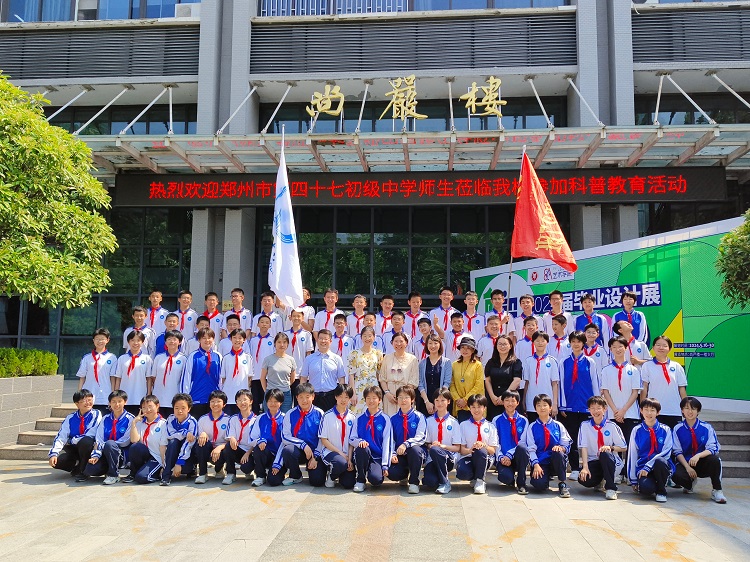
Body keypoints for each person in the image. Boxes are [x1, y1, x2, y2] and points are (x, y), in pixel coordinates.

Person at [558, 330, 600, 479]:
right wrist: (562, 405)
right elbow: (560, 385)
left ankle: (590, 467)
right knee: (572, 437)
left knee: (587, 438)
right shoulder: (563, 362)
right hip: (569, 406)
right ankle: (575, 467)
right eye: (573, 341)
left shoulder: (590, 362)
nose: (576, 344)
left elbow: (595, 383)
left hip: (586, 407)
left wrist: (596, 406)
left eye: (579, 341)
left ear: (583, 343)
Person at [515, 393, 572, 497]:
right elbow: (531, 449)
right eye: (539, 405)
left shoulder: (558, 425)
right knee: (539, 485)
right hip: (541, 462)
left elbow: (566, 443)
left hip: (555, 460)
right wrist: (536, 465)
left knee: (558, 452)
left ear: (550, 408)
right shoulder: (532, 427)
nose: (542, 408)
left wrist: (561, 448)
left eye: (545, 405)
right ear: (535, 409)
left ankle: (562, 483)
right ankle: (543, 478)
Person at [672, 397, 727, 503]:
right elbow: (677, 451)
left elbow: (713, 447)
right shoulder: (677, 428)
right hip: (685, 463)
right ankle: (690, 483)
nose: (690, 411)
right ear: (682, 410)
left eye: (693, 408)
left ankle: (717, 490)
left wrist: (698, 456)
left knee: (715, 461)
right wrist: (688, 467)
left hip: (702, 462)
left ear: (698, 411)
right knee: (675, 474)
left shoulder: (706, 427)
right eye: (687, 408)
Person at [268, 383, 325, 486]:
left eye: (307, 397)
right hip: (298, 450)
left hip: (315, 452)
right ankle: (295, 475)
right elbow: (285, 436)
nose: (304, 400)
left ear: (313, 396)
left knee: (317, 482)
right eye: (301, 397)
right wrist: (303, 445)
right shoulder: (290, 414)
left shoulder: (320, 413)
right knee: (288, 450)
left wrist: (316, 457)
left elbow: (323, 438)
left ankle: (313, 467)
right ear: (297, 398)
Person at [577, 395, 627, 500]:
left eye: (598, 408)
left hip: (610, 461)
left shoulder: (612, 426)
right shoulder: (585, 425)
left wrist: (610, 448)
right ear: (589, 410)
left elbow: (623, 447)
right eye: (592, 408)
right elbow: (584, 447)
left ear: (605, 409)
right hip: (593, 460)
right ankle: (599, 481)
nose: (596, 411)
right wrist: (585, 467)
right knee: (584, 479)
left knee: (604, 453)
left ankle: (611, 488)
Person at [628, 397, 675, 502]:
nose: (649, 413)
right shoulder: (636, 430)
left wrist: (648, 467)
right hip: (643, 467)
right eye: (646, 409)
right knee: (646, 489)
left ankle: (661, 491)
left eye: (652, 410)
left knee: (660, 461)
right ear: (641, 411)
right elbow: (633, 454)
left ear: (658, 412)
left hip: (661, 466)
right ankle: (652, 484)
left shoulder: (666, 430)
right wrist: (633, 480)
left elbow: (667, 452)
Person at [48, 389, 101, 481]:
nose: (88, 403)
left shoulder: (96, 414)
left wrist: (72, 440)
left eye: (90, 400)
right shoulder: (70, 417)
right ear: (77, 404)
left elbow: (91, 433)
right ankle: (76, 467)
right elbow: (61, 436)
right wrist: (53, 453)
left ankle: (83, 470)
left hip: (89, 447)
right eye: (84, 401)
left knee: (86, 441)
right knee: (58, 461)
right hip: (74, 448)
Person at [83, 389, 134, 484]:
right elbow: (99, 438)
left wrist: (106, 445)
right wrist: (96, 455)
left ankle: (113, 475)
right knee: (90, 470)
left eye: (119, 401)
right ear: (109, 403)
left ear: (125, 402)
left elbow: (125, 441)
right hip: (104, 452)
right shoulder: (105, 418)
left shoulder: (130, 419)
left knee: (110, 444)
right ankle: (108, 468)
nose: (116, 404)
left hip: (121, 454)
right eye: (113, 402)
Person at [350, 386, 393, 493]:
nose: (371, 401)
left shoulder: (385, 419)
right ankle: (360, 480)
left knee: (376, 480)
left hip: (377, 456)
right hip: (363, 454)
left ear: (380, 400)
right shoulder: (359, 418)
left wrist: (385, 464)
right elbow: (352, 438)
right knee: (362, 448)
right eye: (368, 398)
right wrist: (359, 441)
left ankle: (371, 471)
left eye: (374, 398)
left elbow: (387, 442)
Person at [601, 336, 642, 446]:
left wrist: (623, 410)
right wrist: (616, 411)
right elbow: (605, 392)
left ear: (626, 348)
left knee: (630, 446)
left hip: (631, 414)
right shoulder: (606, 370)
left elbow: (635, 393)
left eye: (620, 346)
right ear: (610, 349)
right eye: (614, 347)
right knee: (614, 446)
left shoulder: (634, 370)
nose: (617, 349)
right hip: (612, 415)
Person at [386, 384, 427, 494]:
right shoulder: (393, 419)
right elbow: (390, 439)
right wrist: (392, 454)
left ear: (412, 399)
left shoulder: (419, 417)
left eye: (406, 397)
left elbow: (421, 437)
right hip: (400, 454)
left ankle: (414, 482)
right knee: (392, 473)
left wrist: (406, 444)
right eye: (400, 397)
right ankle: (403, 475)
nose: (403, 400)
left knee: (415, 450)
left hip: (416, 453)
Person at [640, 336, 688, 428]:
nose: (661, 348)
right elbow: (644, 387)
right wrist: (643, 407)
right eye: (658, 345)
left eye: (664, 346)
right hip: (653, 410)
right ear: (653, 347)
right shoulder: (647, 365)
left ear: (669, 349)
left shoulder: (677, 366)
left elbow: (682, 389)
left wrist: (685, 407)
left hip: (674, 410)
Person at [316, 384, 357, 489]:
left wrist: (349, 459)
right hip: (330, 452)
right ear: (335, 397)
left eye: (346, 397)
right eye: (340, 396)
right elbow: (324, 439)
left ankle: (340, 471)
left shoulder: (352, 417)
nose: (343, 400)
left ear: (349, 399)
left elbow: (352, 441)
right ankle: (331, 476)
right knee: (340, 463)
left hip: (347, 455)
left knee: (348, 483)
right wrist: (340, 453)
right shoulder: (327, 415)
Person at [422, 387, 461, 494]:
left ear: (448, 401)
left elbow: (457, 448)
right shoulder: (428, 421)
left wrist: (442, 447)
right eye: (437, 400)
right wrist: (431, 446)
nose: (439, 403)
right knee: (430, 482)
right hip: (432, 458)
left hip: (449, 458)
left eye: (443, 400)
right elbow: (427, 443)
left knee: (436, 450)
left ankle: (445, 482)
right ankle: (437, 479)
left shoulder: (454, 422)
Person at [456, 394, 497, 494]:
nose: (476, 410)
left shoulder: (491, 426)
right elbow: (462, 450)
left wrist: (484, 445)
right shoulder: (463, 425)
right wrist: (471, 450)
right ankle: (475, 477)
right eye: (473, 407)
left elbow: (492, 451)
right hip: (468, 456)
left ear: (484, 408)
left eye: (479, 407)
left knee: (480, 451)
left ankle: (480, 481)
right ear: (469, 408)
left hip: (485, 458)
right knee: (462, 473)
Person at [301, 329, 347, 411]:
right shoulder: (309, 359)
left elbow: (341, 379)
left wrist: (340, 396)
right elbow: (303, 378)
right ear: (317, 340)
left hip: (331, 397)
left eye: (326, 339)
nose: (323, 341)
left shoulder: (337, 359)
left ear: (330, 341)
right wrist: (303, 395)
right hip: (313, 396)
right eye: (321, 338)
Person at [125, 394, 167, 484]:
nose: (147, 410)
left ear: (157, 406)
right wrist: (134, 423)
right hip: (145, 456)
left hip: (157, 458)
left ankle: (157, 475)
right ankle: (133, 473)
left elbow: (163, 447)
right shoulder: (140, 423)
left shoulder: (163, 424)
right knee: (135, 447)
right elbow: (134, 440)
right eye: (144, 407)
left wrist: (165, 466)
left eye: (150, 406)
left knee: (141, 478)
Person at [493, 390, 529, 494]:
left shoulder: (524, 420)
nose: (510, 403)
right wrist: (501, 457)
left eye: (513, 401)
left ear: (518, 403)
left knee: (523, 448)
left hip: (517, 456)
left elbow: (523, 441)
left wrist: (510, 454)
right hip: (503, 458)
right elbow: (495, 441)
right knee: (506, 478)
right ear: (503, 402)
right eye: (507, 400)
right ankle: (510, 478)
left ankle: (521, 483)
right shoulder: (496, 420)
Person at [182, 327, 222, 420]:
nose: (207, 340)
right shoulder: (193, 356)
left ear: (213, 339)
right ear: (199, 340)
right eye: (204, 338)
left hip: (214, 400)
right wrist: (186, 398)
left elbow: (221, 378)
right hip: (196, 398)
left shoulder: (218, 356)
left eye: (209, 337)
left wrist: (221, 395)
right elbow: (187, 378)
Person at [248, 388, 285, 486]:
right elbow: (252, 437)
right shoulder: (260, 418)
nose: (272, 404)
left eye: (276, 401)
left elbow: (286, 441)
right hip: (266, 453)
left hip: (280, 455)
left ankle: (278, 472)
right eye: (270, 401)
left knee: (274, 482)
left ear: (281, 403)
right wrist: (260, 440)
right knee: (258, 448)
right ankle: (260, 476)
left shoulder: (285, 418)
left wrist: (278, 462)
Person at [161, 393, 199, 486]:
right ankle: (166, 475)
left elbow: (188, 444)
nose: (180, 411)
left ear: (189, 409)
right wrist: (185, 433)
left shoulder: (192, 422)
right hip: (174, 450)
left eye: (183, 408)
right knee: (173, 442)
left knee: (186, 468)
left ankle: (191, 468)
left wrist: (179, 462)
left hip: (187, 453)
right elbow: (170, 435)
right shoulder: (170, 419)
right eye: (176, 408)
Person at [220, 389, 257, 485]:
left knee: (246, 468)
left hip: (250, 452)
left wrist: (248, 453)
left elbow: (257, 441)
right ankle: (231, 473)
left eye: (245, 400)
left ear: (251, 401)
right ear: (236, 403)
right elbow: (230, 435)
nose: (242, 403)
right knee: (228, 446)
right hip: (238, 449)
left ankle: (250, 471)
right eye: (239, 400)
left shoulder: (256, 420)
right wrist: (232, 438)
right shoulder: (233, 419)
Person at [192, 389, 229, 483]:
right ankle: (203, 474)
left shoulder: (228, 420)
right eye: (212, 401)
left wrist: (219, 448)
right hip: (207, 449)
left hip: (221, 450)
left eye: (218, 401)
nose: (215, 404)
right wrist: (202, 434)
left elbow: (230, 440)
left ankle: (219, 469)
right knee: (201, 443)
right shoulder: (203, 419)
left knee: (228, 449)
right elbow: (197, 437)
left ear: (224, 404)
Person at [521, 331, 559, 422]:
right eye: (537, 341)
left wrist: (554, 404)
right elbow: (527, 382)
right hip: (531, 402)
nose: (540, 343)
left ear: (547, 342)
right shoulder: (528, 361)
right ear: (533, 342)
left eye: (543, 341)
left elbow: (554, 384)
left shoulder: (552, 361)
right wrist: (524, 400)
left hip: (547, 402)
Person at [76, 328, 117, 411]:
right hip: (88, 396)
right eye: (97, 339)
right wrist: (79, 395)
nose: (100, 341)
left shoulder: (112, 358)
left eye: (102, 339)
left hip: (105, 396)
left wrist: (113, 396)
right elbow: (82, 378)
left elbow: (113, 379)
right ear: (93, 340)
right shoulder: (87, 358)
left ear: (107, 340)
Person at [379, 333, 419, 416]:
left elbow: (413, 380)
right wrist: (387, 393)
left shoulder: (412, 359)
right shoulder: (387, 358)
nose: (398, 344)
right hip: (389, 395)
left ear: (406, 343)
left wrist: (402, 396)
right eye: (396, 341)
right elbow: (382, 378)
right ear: (392, 343)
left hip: (406, 396)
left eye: (401, 341)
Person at [484, 335, 523, 420]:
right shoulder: (491, 362)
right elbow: (487, 380)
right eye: (500, 344)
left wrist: (504, 397)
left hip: (510, 399)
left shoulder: (516, 362)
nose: (502, 346)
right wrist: (492, 396)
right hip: (494, 400)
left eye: (505, 344)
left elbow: (517, 380)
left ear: (510, 346)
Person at [114, 330, 153, 415]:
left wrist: (148, 394)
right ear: (128, 342)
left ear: (142, 342)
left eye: (138, 340)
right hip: (124, 397)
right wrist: (116, 394)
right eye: (132, 340)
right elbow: (118, 378)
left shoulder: (147, 359)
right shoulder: (122, 358)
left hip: (140, 396)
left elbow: (149, 379)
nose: (135, 343)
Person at [347, 326, 383, 416]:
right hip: (359, 388)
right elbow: (351, 375)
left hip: (374, 387)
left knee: (374, 414)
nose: (367, 338)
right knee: (357, 414)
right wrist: (353, 393)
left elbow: (379, 373)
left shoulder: (378, 353)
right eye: (365, 336)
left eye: (370, 336)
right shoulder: (354, 353)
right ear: (361, 337)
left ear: (374, 337)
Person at [151, 329, 187, 418]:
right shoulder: (159, 357)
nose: (172, 341)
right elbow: (153, 377)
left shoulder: (183, 359)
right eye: (169, 339)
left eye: (174, 339)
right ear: (165, 342)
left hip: (174, 397)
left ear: (179, 342)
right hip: (159, 397)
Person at [450, 337, 484, 423]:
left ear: (473, 350)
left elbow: (479, 385)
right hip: (460, 405)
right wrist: (457, 399)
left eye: (468, 348)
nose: (465, 350)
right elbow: (451, 384)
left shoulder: (478, 365)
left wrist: (465, 400)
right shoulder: (454, 364)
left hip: (474, 403)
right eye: (463, 347)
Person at [261, 332, 297, 413]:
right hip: (271, 393)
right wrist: (267, 391)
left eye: (284, 342)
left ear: (287, 344)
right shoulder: (268, 359)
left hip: (286, 394)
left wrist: (284, 386)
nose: (282, 345)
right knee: (269, 417)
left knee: (285, 417)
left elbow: (292, 378)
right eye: (279, 342)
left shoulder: (291, 360)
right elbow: (262, 378)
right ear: (275, 344)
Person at [418, 334, 452, 416]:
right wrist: (427, 402)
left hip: (442, 401)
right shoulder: (422, 363)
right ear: (426, 345)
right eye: (430, 343)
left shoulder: (447, 362)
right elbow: (420, 384)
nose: (433, 346)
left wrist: (439, 402)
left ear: (440, 345)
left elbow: (447, 383)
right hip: (425, 402)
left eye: (435, 343)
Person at [220, 328, 252, 416]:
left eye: (240, 338)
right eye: (234, 337)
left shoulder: (248, 357)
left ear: (244, 340)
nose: (237, 340)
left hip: (242, 396)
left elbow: (249, 377)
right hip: (229, 395)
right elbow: (223, 378)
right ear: (231, 339)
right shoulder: (226, 358)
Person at [249, 316, 275, 413]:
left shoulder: (273, 340)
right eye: (262, 322)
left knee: (267, 400)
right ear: (257, 324)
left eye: (267, 323)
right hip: (255, 375)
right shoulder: (253, 340)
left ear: (270, 325)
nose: (264, 324)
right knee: (255, 401)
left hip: (268, 376)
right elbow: (250, 357)